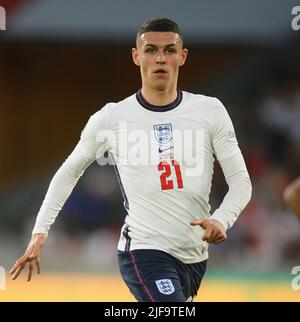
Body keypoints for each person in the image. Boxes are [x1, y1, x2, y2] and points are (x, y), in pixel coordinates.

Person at [10, 18, 252, 302]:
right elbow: (69, 171)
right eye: (150, 50)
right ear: (136, 56)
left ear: (182, 56)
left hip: (194, 257)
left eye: (169, 50)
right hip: (143, 250)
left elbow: (240, 181)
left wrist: (222, 219)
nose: (160, 58)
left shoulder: (210, 111)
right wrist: (40, 230)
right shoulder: (111, 118)